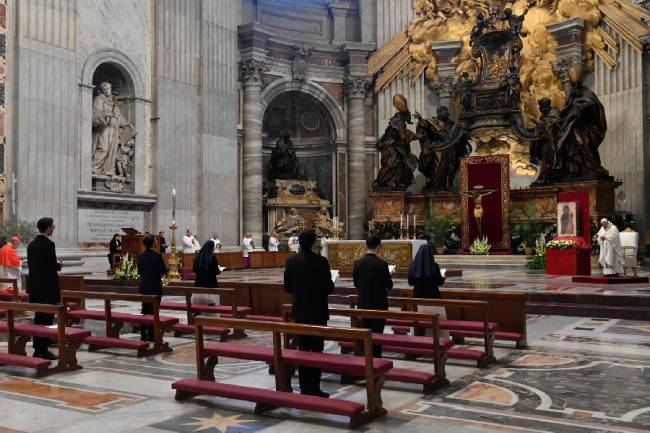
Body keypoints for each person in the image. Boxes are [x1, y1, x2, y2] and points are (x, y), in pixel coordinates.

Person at [283, 230, 334, 397]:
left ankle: (304, 386)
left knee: (303, 346)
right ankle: (315, 386)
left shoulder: (291, 261)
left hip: (300, 310)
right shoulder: (321, 261)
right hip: (318, 311)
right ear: (313, 243)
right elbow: (328, 288)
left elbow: (287, 287)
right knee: (317, 348)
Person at [27, 217, 62, 360]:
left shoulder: (31, 244)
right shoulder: (48, 244)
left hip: (35, 289)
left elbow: (35, 267)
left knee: (38, 318)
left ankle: (38, 348)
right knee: (46, 320)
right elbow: (50, 267)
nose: (53, 228)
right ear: (47, 227)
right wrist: (58, 265)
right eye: (52, 226)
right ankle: (43, 350)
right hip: (47, 290)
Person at [353, 234, 393, 357]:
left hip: (363, 302)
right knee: (378, 333)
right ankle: (376, 358)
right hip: (379, 303)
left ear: (366, 245)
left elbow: (356, 284)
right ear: (379, 246)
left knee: (366, 331)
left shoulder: (357, 263)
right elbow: (389, 285)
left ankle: (366, 357)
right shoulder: (382, 264)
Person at [408, 244, 447, 336]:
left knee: (419, 321)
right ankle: (437, 338)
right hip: (433, 298)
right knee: (436, 323)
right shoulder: (434, 266)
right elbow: (439, 282)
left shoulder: (413, 266)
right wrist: (443, 278)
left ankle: (418, 338)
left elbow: (410, 282)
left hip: (418, 298)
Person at [137, 235, 168, 341]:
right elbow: (163, 271)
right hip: (154, 286)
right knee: (154, 311)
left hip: (144, 286)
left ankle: (143, 334)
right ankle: (151, 334)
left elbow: (139, 271)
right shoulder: (157, 255)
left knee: (144, 309)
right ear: (153, 243)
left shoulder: (140, 256)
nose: (156, 241)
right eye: (155, 240)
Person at [192, 240, 221, 306]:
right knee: (211, 307)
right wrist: (219, 270)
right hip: (211, 284)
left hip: (199, 283)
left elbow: (194, 270)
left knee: (199, 306)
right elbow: (215, 271)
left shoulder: (197, 257)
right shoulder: (212, 257)